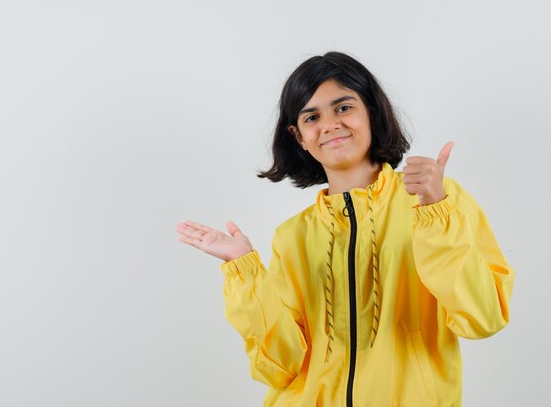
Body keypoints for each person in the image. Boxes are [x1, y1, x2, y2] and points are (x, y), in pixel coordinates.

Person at [176, 52, 515, 407]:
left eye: (343, 108)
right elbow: (280, 367)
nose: (329, 125)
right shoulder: (292, 236)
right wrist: (245, 272)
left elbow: (483, 318)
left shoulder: (436, 201)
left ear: (371, 112)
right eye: (311, 116)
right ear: (299, 137)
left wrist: (434, 212)